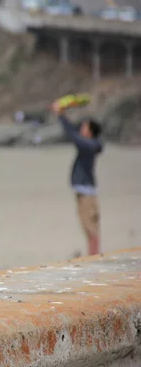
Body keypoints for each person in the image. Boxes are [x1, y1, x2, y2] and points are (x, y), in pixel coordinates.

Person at [50, 103, 103, 256]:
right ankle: (93, 255)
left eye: (85, 128)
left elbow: (72, 135)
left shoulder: (89, 145)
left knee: (90, 228)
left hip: (86, 193)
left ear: (91, 132)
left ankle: (93, 257)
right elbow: (74, 132)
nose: (81, 130)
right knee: (90, 227)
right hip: (86, 191)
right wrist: (62, 114)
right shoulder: (91, 144)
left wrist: (60, 116)